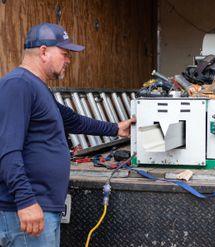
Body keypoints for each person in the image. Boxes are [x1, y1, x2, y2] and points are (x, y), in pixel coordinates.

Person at [0, 23, 135, 247]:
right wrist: (25, 201)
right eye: (65, 54)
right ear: (44, 51)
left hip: (42, 208)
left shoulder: (37, 87)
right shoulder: (18, 85)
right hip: (26, 213)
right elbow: (7, 149)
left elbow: (72, 120)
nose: (69, 60)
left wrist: (116, 129)